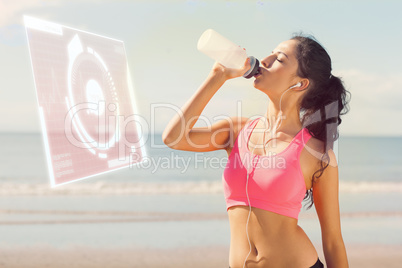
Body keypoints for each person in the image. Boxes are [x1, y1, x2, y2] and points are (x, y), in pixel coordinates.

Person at [162, 34, 350, 268]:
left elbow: (332, 240)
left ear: (300, 83)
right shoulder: (235, 130)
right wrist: (217, 77)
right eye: (270, 53)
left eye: (279, 59)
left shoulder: (318, 154)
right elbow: (173, 138)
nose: (265, 59)